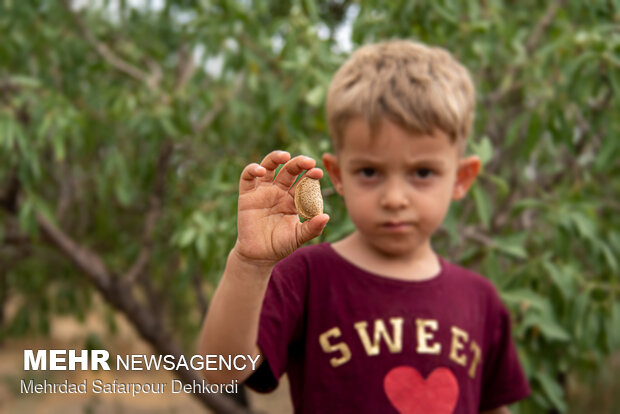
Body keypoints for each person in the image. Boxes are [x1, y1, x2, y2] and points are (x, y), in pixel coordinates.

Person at [199, 39, 530, 413]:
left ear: (461, 177)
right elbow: (219, 372)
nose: (394, 198)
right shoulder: (307, 277)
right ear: (338, 176)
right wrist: (250, 263)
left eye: (422, 172)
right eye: (369, 172)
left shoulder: (480, 300)